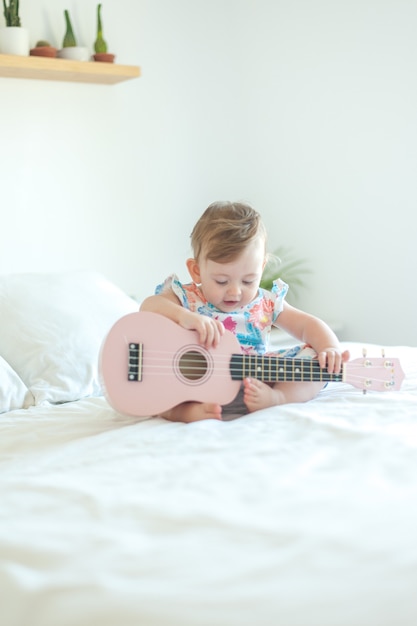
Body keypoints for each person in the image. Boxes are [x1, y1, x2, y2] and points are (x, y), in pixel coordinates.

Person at [140, 201, 349, 422]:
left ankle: (278, 398)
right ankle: (186, 412)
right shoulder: (188, 299)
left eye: (248, 281)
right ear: (197, 270)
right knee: (154, 389)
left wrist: (329, 348)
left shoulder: (266, 303)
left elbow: (308, 326)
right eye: (221, 281)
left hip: (255, 385)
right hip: (200, 387)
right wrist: (184, 316)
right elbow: (149, 307)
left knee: (313, 362)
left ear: (261, 268)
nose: (235, 291)